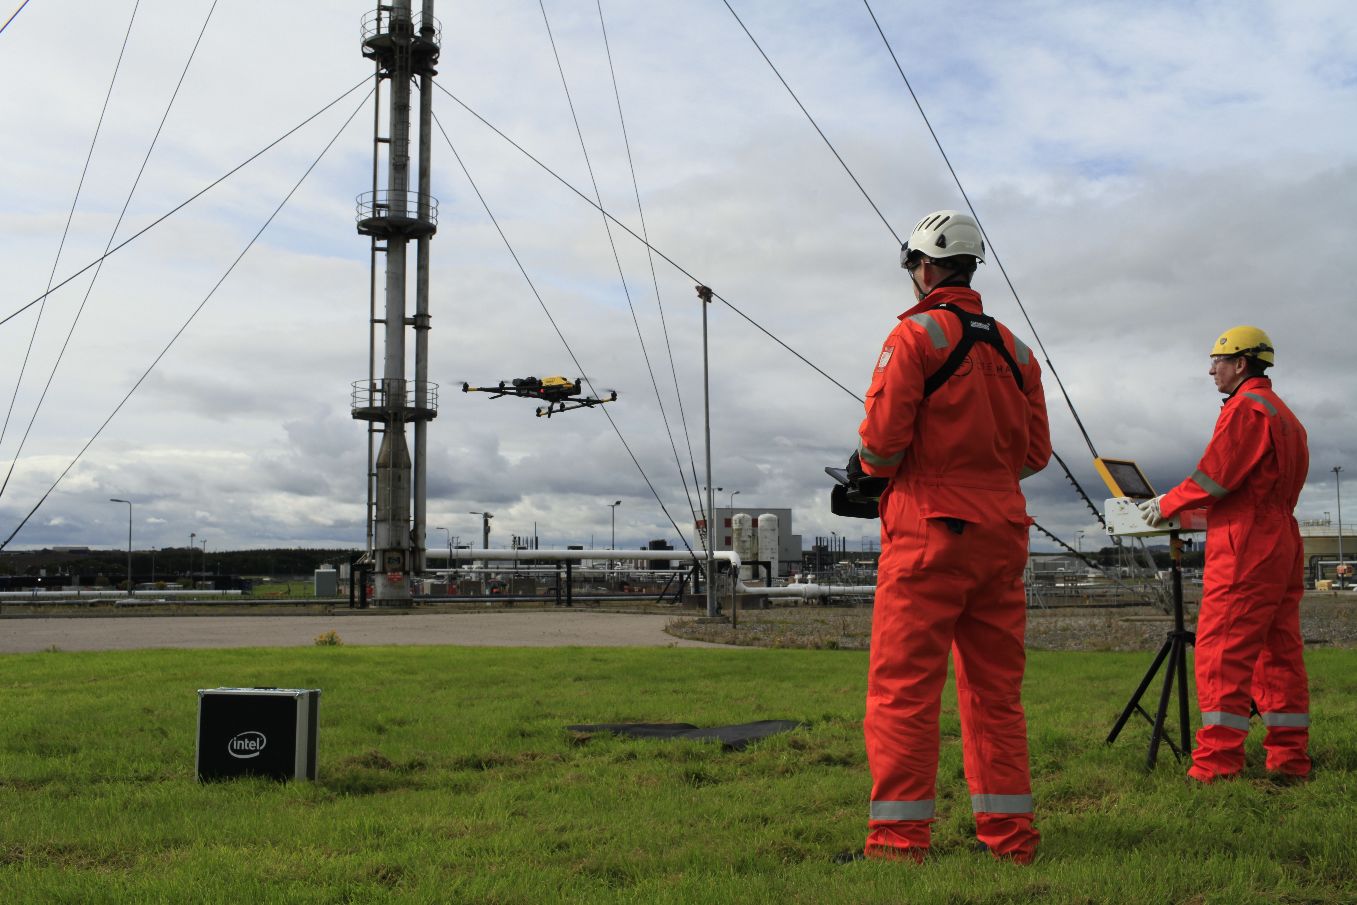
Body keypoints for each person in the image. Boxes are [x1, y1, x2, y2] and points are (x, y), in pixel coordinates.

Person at [851, 210, 1051, 863]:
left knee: (902, 689)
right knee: (995, 692)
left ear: (925, 265)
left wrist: (873, 473)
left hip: (927, 531)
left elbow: (880, 446)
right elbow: (1035, 453)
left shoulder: (911, 336)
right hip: (1001, 532)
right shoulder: (1016, 350)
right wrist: (984, 476)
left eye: (910, 264)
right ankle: (1011, 839)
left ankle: (897, 842)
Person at [1139, 326, 1310, 782]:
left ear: (1240, 364)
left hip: (1247, 544)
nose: (1212, 369)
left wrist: (1164, 505)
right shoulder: (1286, 415)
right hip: (1283, 540)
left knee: (1222, 653)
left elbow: (1215, 477)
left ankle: (1216, 766)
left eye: (1217, 360)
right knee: (1280, 653)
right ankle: (1290, 759)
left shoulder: (1245, 409)